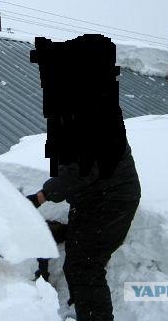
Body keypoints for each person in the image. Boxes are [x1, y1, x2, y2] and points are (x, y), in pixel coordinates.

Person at [28, 34, 141, 321]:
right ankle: (82, 312)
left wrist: (42, 196)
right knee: (78, 263)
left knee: (85, 264)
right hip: (94, 198)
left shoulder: (94, 109)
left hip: (113, 199)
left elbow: (85, 168)